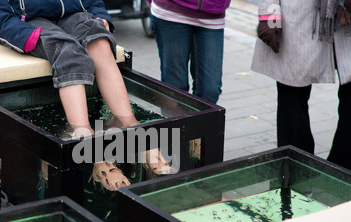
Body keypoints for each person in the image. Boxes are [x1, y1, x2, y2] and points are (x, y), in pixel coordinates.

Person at [0, 0, 171, 191]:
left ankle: (132, 125)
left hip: (73, 13)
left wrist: (100, 16)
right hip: (26, 22)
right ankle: (86, 137)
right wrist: (24, 34)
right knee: (67, 50)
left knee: (100, 43)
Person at [252, 0, 351, 170]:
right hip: (297, 20)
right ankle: (296, 168)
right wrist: (270, 17)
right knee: (291, 94)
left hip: (346, 20)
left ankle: (343, 167)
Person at [150, 0, 231, 104]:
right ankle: (176, 120)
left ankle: (199, 120)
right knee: (175, 87)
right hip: (171, 12)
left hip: (213, 15)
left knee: (210, 90)